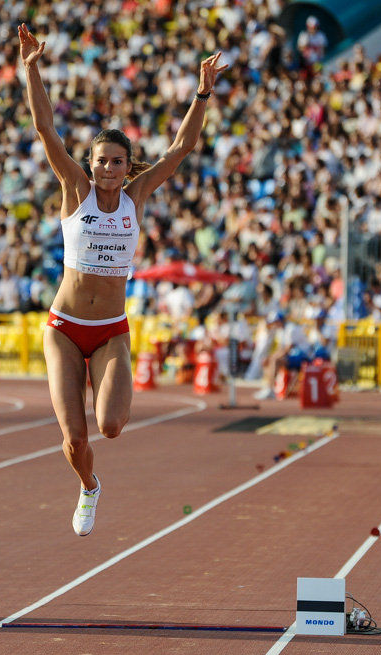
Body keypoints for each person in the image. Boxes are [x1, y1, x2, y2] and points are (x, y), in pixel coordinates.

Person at [18, 23, 227, 535]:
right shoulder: (75, 189)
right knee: (74, 438)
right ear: (89, 166)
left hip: (110, 329)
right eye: (100, 162)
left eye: (116, 162)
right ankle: (89, 488)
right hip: (64, 327)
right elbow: (46, 129)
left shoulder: (137, 196)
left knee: (110, 427)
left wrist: (202, 92)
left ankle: (95, 475)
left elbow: (182, 146)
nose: (108, 169)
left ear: (128, 166)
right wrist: (32, 69)